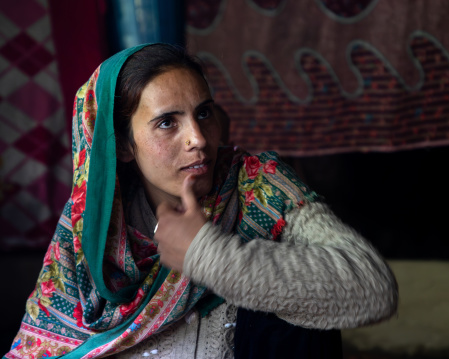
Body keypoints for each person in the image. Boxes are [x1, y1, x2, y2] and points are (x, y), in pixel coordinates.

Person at [3, 43, 398, 359]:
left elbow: (373, 287)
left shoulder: (258, 186)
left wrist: (207, 254)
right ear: (124, 145)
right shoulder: (88, 236)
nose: (199, 138)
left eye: (203, 112)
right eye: (167, 122)